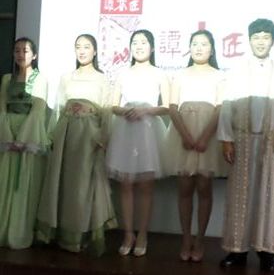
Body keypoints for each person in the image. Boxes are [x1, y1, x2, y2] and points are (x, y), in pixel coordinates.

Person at [218, 19, 274, 273]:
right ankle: (236, 250)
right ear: (249, 40)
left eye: (265, 37)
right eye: (256, 37)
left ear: (273, 40)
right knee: (239, 196)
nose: (261, 42)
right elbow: (227, 106)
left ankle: (266, 251)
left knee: (266, 196)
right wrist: (226, 140)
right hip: (242, 141)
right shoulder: (237, 71)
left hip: (270, 143)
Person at [36, 34, 117, 255]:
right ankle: (61, 234)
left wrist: (103, 137)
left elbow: (107, 112)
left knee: (83, 185)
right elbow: (58, 109)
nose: (82, 51)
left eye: (87, 47)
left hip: (89, 136)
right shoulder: (66, 77)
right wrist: (52, 136)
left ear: (95, 51)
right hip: (66, 134)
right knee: (62, 182)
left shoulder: (103, 79)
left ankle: (80, 235)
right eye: (78, 47)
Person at [164, 29, 227, 262]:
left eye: (204, 44)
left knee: (204, 188)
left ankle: (200, 239)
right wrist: (186, 136)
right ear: (189, 48)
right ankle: (185, 238)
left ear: (212, 49)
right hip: (183, 135)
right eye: (195, 44)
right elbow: (172, 107)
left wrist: (204, 137)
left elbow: (221, 109)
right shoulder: (179, 75)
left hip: (208, 137)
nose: (199, 48)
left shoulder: (220, 76)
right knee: (184, 189)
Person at [106, 29, 169, 257]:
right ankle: (127, 234)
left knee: (145, 186)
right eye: (135, 42)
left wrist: (146, 110)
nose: (139, 46)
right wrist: (125, 110)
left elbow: (168, 106)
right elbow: (113, 105)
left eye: (143, 42)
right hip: (126, 129)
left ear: (152, 48)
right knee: (125, 184)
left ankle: (142, 234)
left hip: (148, 131)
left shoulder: (160, 73)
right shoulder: (123, 73)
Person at [0, 38, 50, 249]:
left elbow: (38, 110)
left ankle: (19, 232)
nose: (21, 54)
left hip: (29, 134)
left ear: (34, 55)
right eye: (17, 51)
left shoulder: (41, 79)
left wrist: (22, 138)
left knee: (24, 185)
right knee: (4, 183)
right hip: (7, 134)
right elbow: (2, 107)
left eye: (26, 51)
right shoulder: (7, 78)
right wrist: (7, 135)